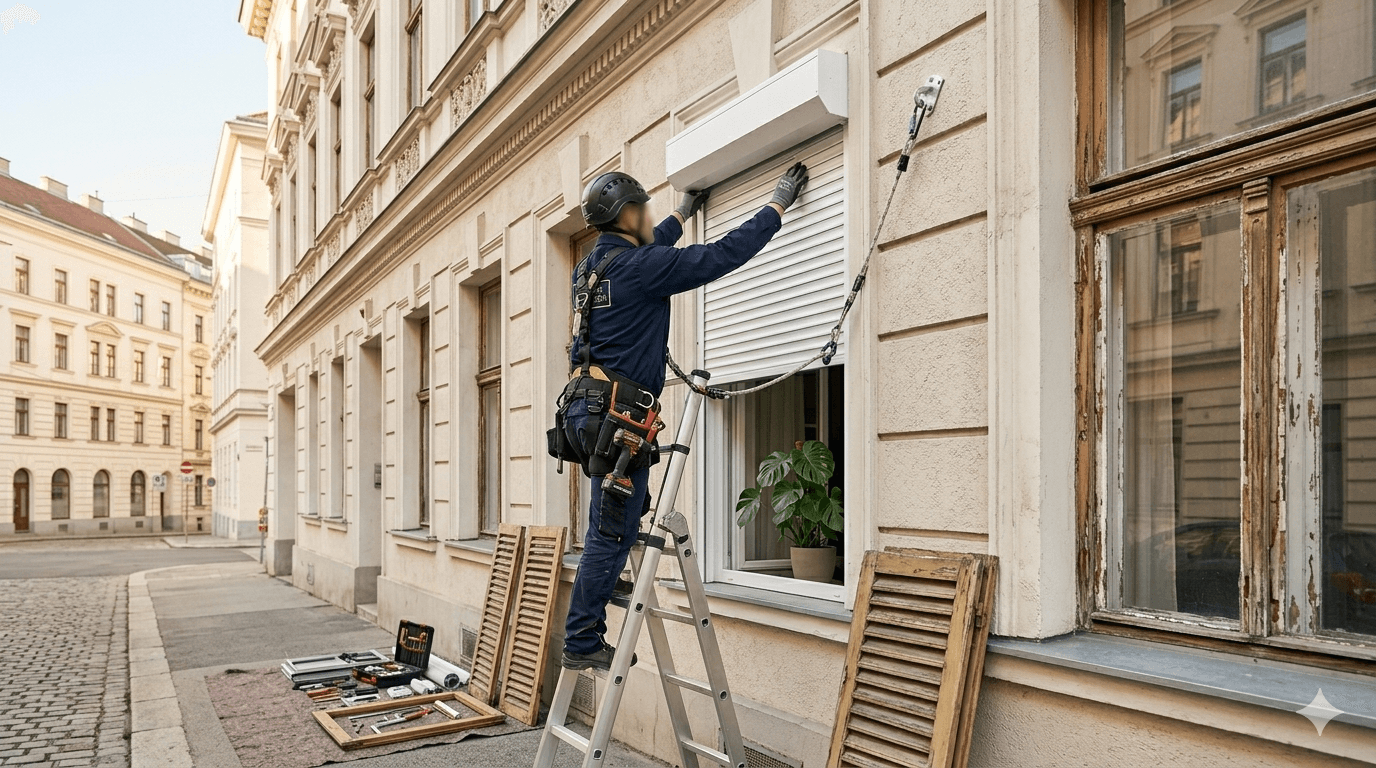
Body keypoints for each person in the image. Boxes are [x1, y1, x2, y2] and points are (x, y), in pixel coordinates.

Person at [556, 162, 810, 671]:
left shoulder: (590, 267)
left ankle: (600, 591)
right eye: (645, 209)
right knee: (610, 531)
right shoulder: (640, 268)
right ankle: (583, 640)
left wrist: (680, 212)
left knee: (621, 513)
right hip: (620, 421)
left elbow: (651, 251)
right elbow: (718, 256)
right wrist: (775, 207)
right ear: (627, 215)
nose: (651, 216)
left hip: (588, 411)